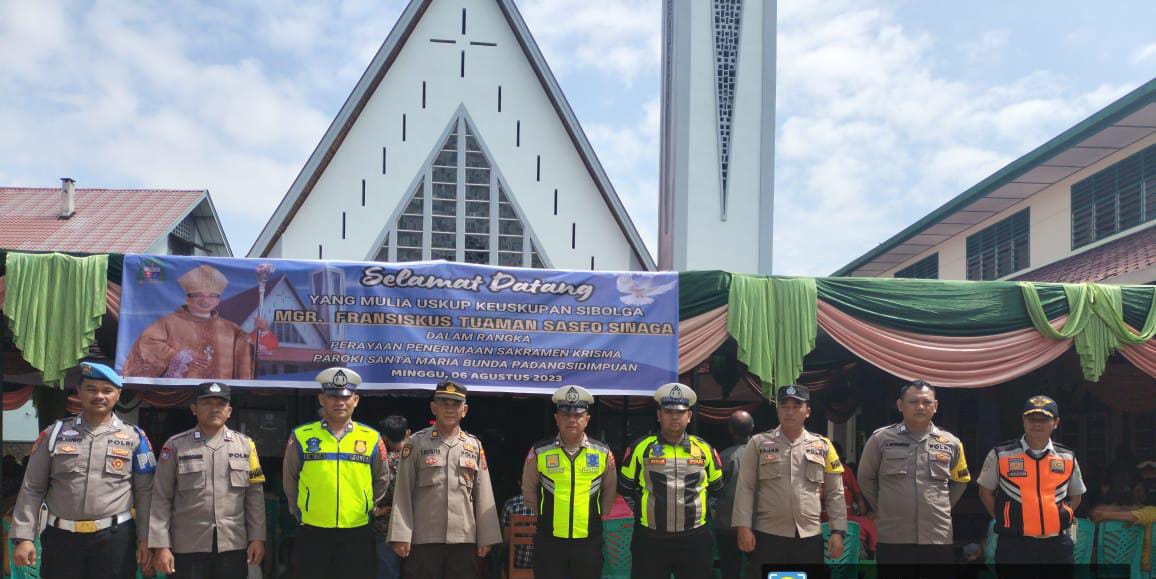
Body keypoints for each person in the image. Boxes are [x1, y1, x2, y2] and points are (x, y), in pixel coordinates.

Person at [10, 361, 157, 578]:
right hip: (61, 538)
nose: (99, 396)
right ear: (79, 391)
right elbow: (32, 487)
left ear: (118, 394)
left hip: (115, 540)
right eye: (91, 389)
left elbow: (145, 493)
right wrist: (24, 537)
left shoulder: (135, 438)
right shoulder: (54, 435)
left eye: (107, 390)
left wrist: (146, 539)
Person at [149, 382, 267, 579]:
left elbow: (255, 496)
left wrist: (257, 537)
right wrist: (161, 545)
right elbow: (161, 497)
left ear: (229, 411)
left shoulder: (246, 446)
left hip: (232, 544)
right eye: (207, 403)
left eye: (220, 404)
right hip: (187, 546)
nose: (214, 409)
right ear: (194, 409)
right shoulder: (175, 446)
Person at [283, 367, 391, 578]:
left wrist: (365, 505)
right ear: (322, 399)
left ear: (356, 400)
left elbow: (382, 479)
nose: (339, 402)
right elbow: (290, 479)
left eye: (345, 396)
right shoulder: (301, 436)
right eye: (333, 396)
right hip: (313, 531)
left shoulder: (371, 438)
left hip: (356, 531)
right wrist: (303, 509)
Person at [389, 381, 502, 579]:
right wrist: (400, 534)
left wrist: (487, 536)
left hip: (464, 539)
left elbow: (483, 492)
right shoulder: (416, 443)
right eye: (444, 403)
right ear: (434, 407)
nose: (450, 409)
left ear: (464, 410)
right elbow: (403, 491)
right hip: (424, 538)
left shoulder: (473, 445)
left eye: (455, 404)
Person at [733, 384, 847, 574]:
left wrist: (838, 531)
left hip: (809, 536)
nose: (790, 412)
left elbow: (835, 492)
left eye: (796, 406)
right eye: (784, 406)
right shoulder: (759, 443)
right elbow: (745, 487)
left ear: (807, 411)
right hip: (769, 535)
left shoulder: (823, 445)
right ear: (777, 410)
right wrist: (743, 527)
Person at [857, 379, 970, 565]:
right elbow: (865, 478)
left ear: (935, 406)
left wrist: (941, 507)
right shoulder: (881, 439)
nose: (920, 407)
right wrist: (883, 508)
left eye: (926, 402)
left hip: (937, 535)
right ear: (900, 405)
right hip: (893, 535)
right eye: (913, 402)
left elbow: (961, 481)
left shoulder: (952, 443)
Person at [618, 383, 723, 579]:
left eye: (680, 412)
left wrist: (700, 513)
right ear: (659, 415)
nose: (675, 416)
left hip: (694, 540)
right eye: (668, 411)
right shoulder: (641, 448)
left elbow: (717, 490)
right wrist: (643, 511)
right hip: (651, 540)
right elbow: (625, 488)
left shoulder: (705, 449)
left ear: (689, 416)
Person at [977, 395, 1085, 567]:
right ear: (1023, 420)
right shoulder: (1001, 454)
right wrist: (1005, 518)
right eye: (1031, 418)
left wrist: (1058, 516)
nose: (1037, 424)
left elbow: (1076, 496)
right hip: (1014, 544)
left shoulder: (1067, 457)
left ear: (1056, 422)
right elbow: (985, 492)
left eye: (1044, 419)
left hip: (1057, 545)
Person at [521, 385, 617, 579]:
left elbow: (609, 491)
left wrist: (596, 516)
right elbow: (529, 490)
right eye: (566, 415)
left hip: (589, 540)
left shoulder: (602, 452)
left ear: (587, 419)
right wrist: (546, 515)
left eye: (578, 415)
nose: (572, 420)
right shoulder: (540, 451)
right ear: (557, 418)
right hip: (550, 541)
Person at [122, 264, 265, 380]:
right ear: (187, 298)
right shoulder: (168, 322)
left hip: (219, 394)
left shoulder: (231, 328)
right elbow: (147, 343)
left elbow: (248, 347)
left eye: (211, 296)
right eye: (198, 295)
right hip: (180, 392)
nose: (205, 300)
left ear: (218, 300)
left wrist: (260, 331)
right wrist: (179, 357)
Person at [715, 410, 753, 579]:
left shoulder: (723, 457)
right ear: (752, 427)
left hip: (727, 525)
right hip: (757, 524)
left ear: (730, 430)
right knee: (758, 568)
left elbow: (714, 489)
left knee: (730, 570)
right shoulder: (764, 455)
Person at [374, 415, 410, 579]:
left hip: (386, 526)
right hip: (415, 527)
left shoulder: (383, 462)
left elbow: (375, 492)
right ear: (408, 433)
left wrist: (377, 510)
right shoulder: (418, 459)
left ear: (384, 438)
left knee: (387, 572)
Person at [500, 487, 535, 572]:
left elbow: (506, 540)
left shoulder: (511, 504)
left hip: (517, 564)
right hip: (544, 565)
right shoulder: (551, 506)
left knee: (497, 548)